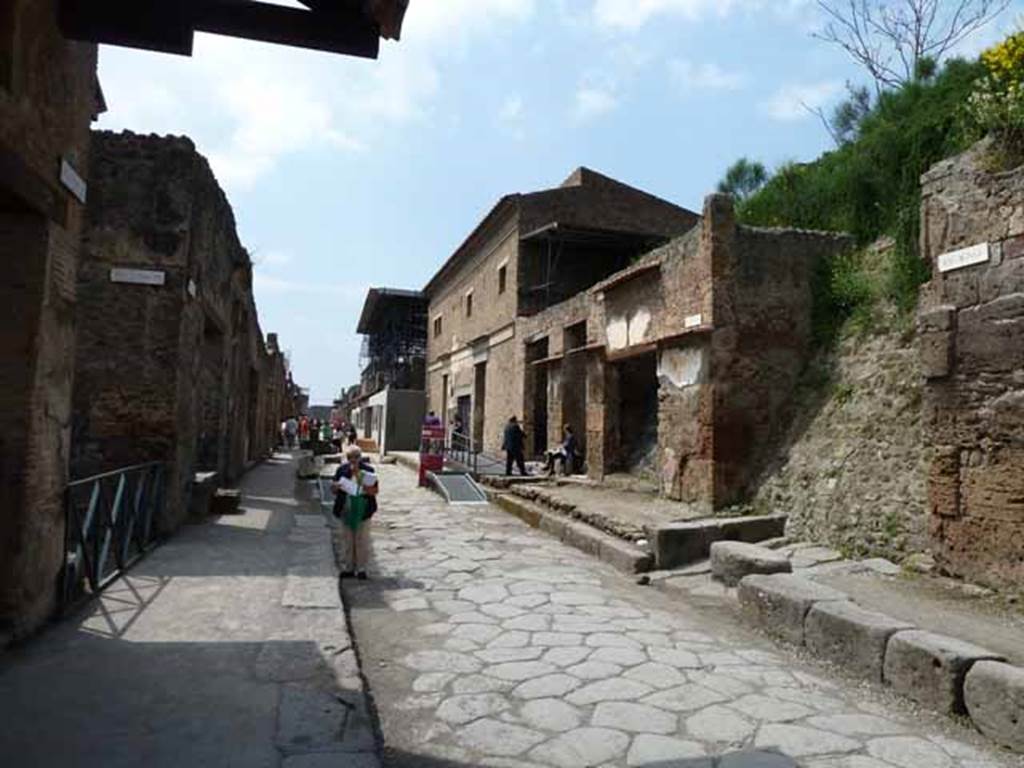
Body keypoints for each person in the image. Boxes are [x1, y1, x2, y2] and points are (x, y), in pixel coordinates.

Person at [332, 445, 378, 580]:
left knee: (362, 539)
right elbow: (334, 489)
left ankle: (361, 568)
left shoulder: (368, 471)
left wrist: (361, 487)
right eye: (349, 458)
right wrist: (336, 486)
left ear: (360, 458)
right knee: (347, 540)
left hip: (363, 510)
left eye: (356, 457)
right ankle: (348, 567)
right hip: (346, 509)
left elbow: (374, 491)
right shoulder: (342, 470)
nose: (353, 460)